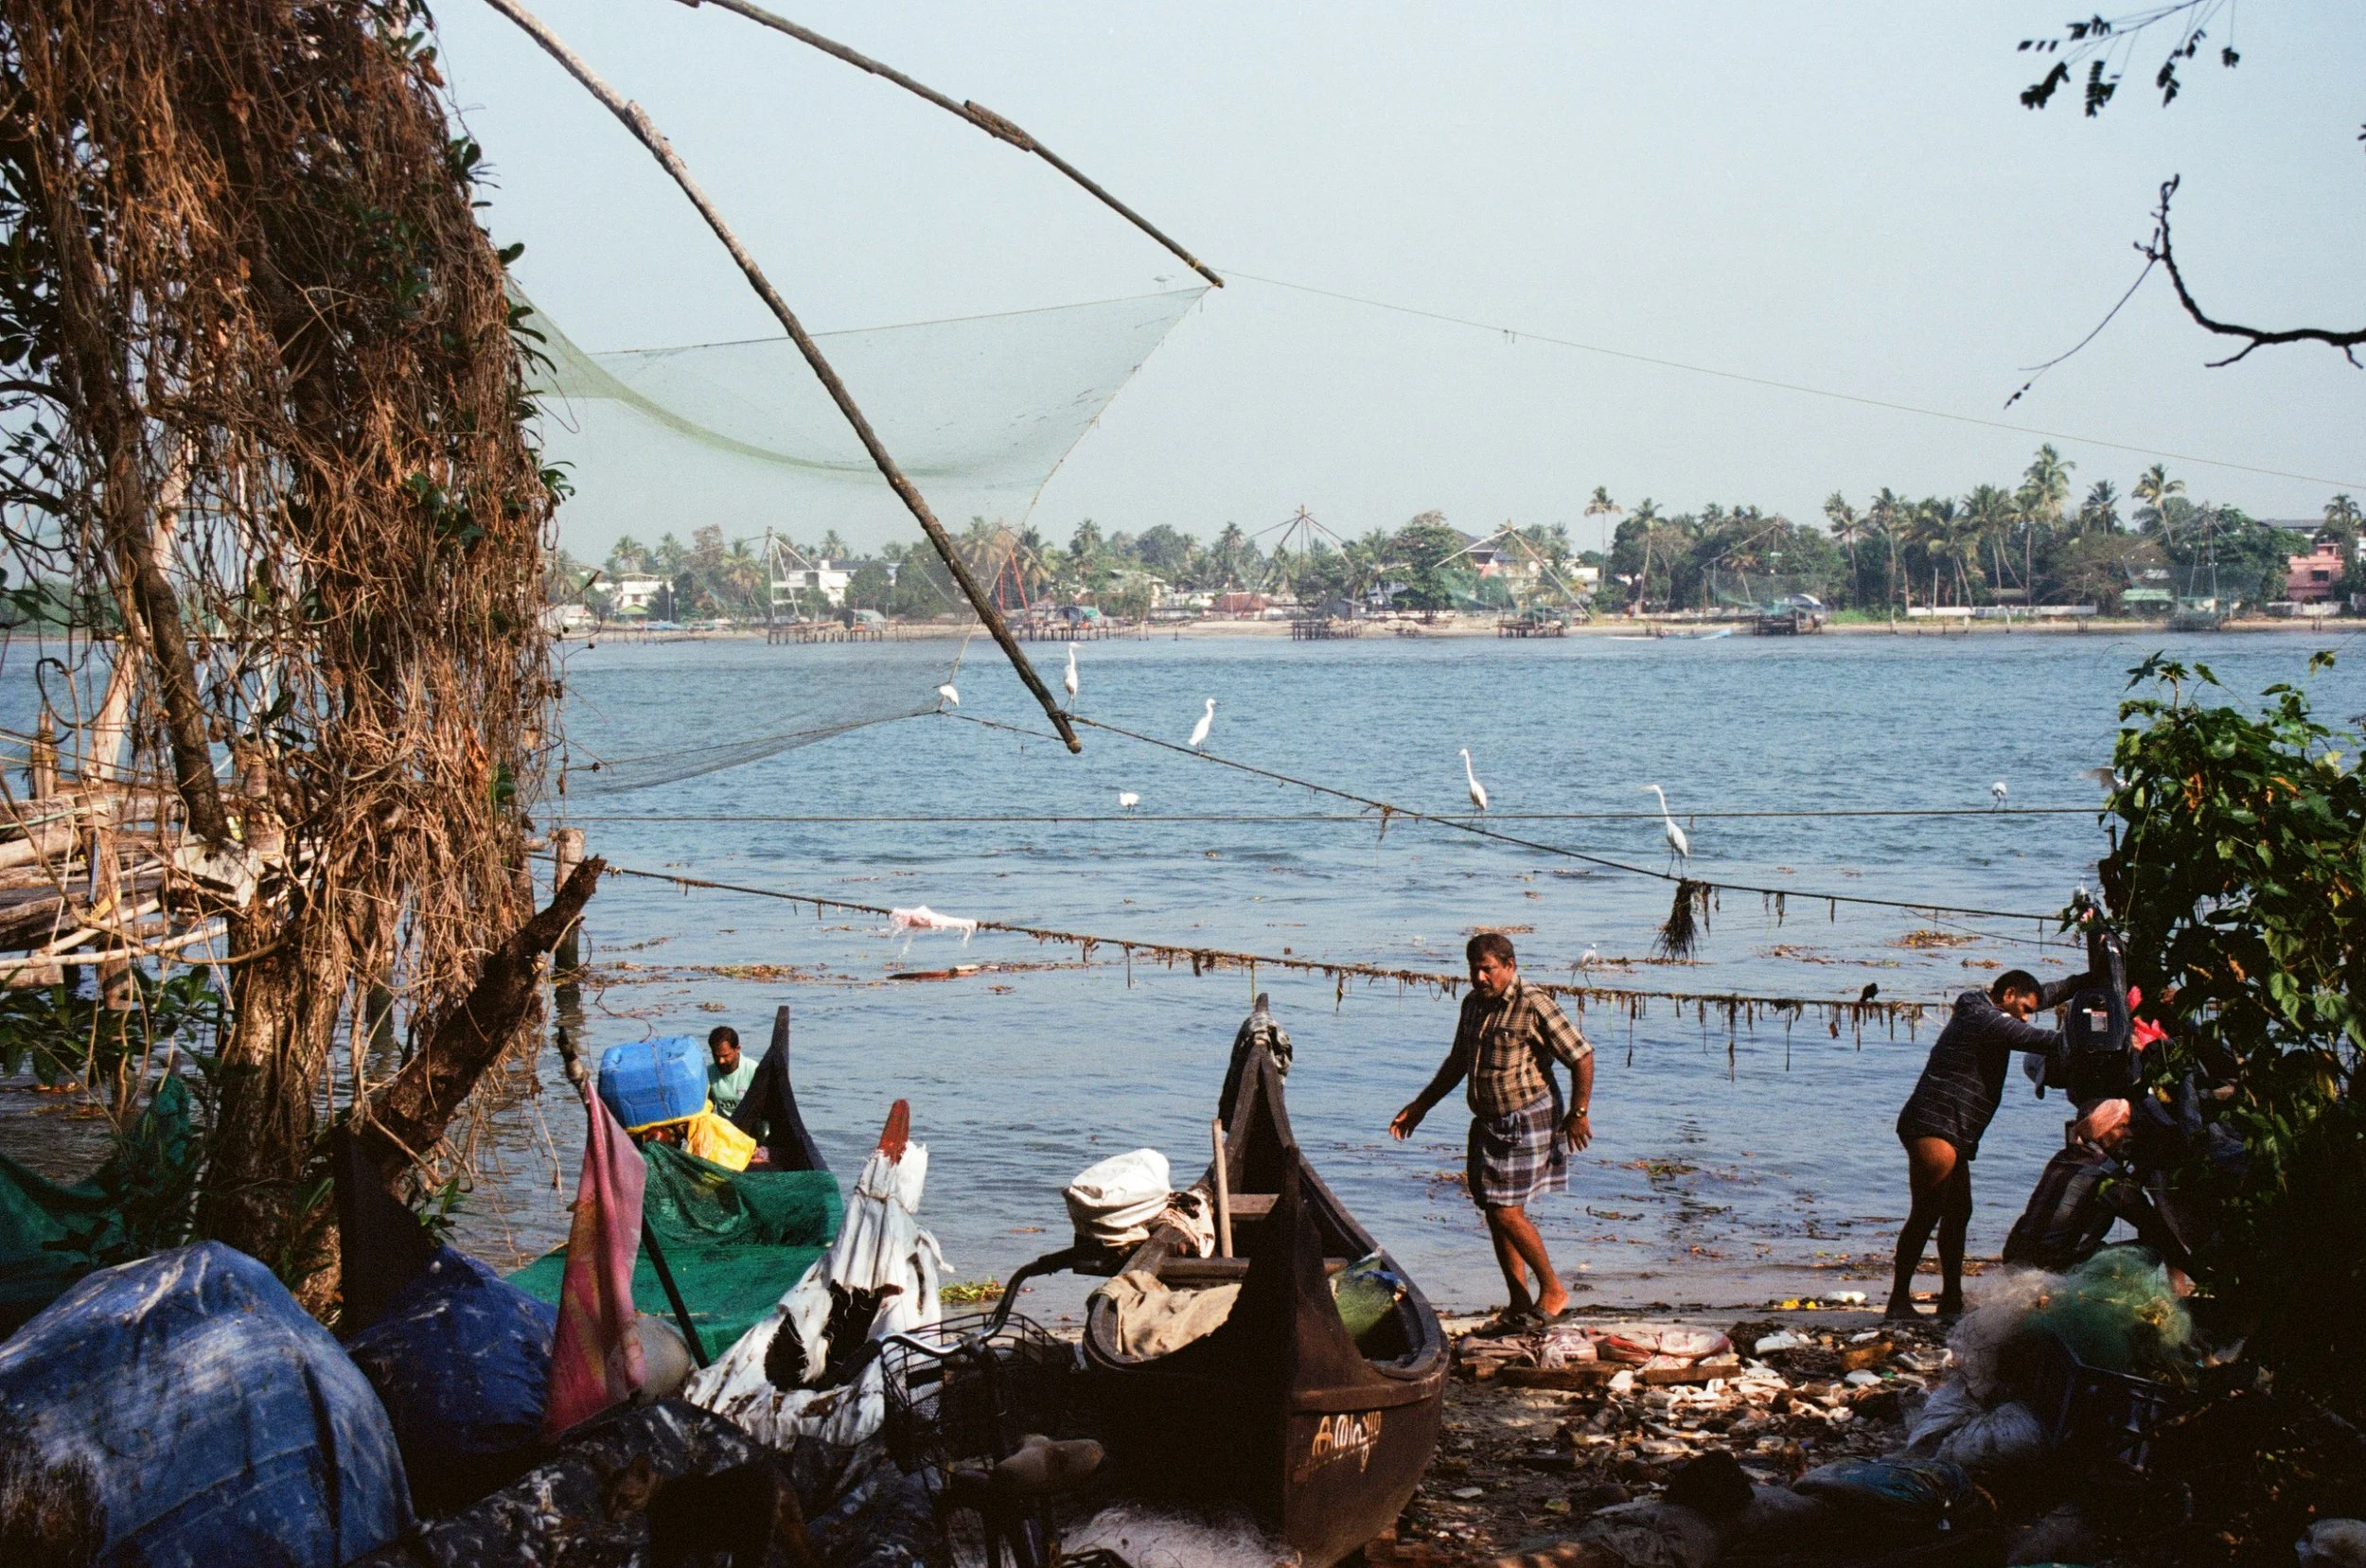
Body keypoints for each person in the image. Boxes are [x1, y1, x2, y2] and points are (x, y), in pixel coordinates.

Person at [1390, 932, 1595, 1330]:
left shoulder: (1533, 1004)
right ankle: (1519, 1302)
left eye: (1488, 969)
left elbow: (1582, 1056)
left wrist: (1579, 1112)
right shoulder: (1472, 1005)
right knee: (1493, 1210)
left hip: (1527, 1114)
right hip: (1488, 1120)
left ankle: (1553, 1290)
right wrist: (1420, 1107)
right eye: (1474, 969)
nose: (1480, 978)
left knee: (1506, 1210)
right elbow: (1458, 1061)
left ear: (1510, 966)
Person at [1887, 965, 2103, 1320]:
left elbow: (2044, 994)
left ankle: (1951, 1298)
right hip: (1935, 1123)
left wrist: (2087, 981)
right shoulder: (1984, 1018)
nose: (2028, 1015)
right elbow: (2041, 1040)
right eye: (2025, 1009)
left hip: (1954, 1129)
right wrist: (2097, 1038)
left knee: (1958, 1213)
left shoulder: (1991, 1005)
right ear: (2007, 997)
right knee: (1927, 1213)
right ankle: (1898, 1301)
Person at [706, 1026, 756, 1119]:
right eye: (716, 1056)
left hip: (749, 1125)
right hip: (725, 1127)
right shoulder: (708, 1073)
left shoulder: (753, 1070)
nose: (721, 1061)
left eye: (725, 1056)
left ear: (737, 1049)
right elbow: (708, 1109)